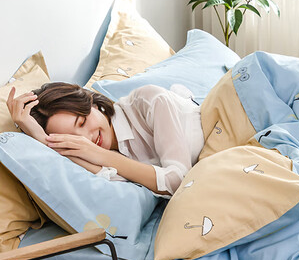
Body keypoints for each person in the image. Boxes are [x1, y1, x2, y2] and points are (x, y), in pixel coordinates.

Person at [6, 82, 205, 196]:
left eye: (82, 122)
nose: (87, 140)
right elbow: (120, 183)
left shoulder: (149, 101)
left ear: (92, 104)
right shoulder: (86, 153)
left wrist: (100, 155)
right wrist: (43, 140)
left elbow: (179, 182)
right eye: (73, 140)